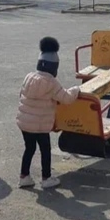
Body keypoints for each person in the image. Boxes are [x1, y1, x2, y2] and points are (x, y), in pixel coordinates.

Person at [16, 37, 80, 189]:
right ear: (54, 67)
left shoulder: (29, 77)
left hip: (24, 123)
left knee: (29, 149)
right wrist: (76, 90)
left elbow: (21, 95)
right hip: (40, 125)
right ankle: (46, 178)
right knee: (45, 150)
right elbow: (66, 98)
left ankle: (24, 177)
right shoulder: (51, 83)